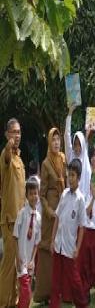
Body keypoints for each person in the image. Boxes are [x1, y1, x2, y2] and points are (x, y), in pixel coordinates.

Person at [34, 128, 67, 304]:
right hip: (51, 213)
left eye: (58, 140)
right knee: (48, 252)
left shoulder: (62, 158)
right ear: (49, 142)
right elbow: (42, 194)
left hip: (63, 209)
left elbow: (68, 181)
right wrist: (48, 211)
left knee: (62, 250)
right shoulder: (46, 163)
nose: (56, 143)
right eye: (53, 140)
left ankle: (60, 290)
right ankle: (45, 293)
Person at [49, 158, 87, 308]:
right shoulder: (64, 194)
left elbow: (82, 227)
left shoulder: (80, 199)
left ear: (78, 177)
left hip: (70, 247)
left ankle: (82, 304)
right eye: (68, 175)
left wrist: (77, 248)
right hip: (58, 244)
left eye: (72, 175)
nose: (70, 178)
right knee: (55, 281)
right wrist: (52, 240)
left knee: (74, 281)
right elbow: (57, 218)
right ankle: (54, 305)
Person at [0, 118, 26, 307]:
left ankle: (14, 301)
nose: (17, 136)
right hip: (9, 221)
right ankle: (3, 302)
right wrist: (8, 146)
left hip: (20, 220)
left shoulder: (20, 158)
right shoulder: (6, 155)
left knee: (18, 265)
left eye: (18, 132)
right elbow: (7, 157)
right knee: (8, 265)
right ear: (7, 134)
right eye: (13, 132)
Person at [79, 145, 95, 305]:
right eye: (94, 155)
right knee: (86, 262)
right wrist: (94, 197)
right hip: (87, 229)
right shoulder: (86, 186)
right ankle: (87, 290)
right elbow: (87, 213)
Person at [13, 178, 41, 308]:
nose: (34, 196)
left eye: (36, 193)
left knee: (26, 294)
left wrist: (33, 260)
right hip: (21, 260)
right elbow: (15, 237)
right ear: (27, 196)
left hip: (30, 262)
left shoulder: (38, 218)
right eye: (31, 193)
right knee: (26, 291)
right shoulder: (22, 214)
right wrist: (18, 258)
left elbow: (36, 242)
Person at [65, 106, 92, 200]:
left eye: (79, 145)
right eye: (75, 144)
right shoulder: (70, 156)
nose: (77, 148)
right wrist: (70, 113)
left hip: (85, 203)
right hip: (72, 201)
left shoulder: (85, 158)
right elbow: (67, 135)